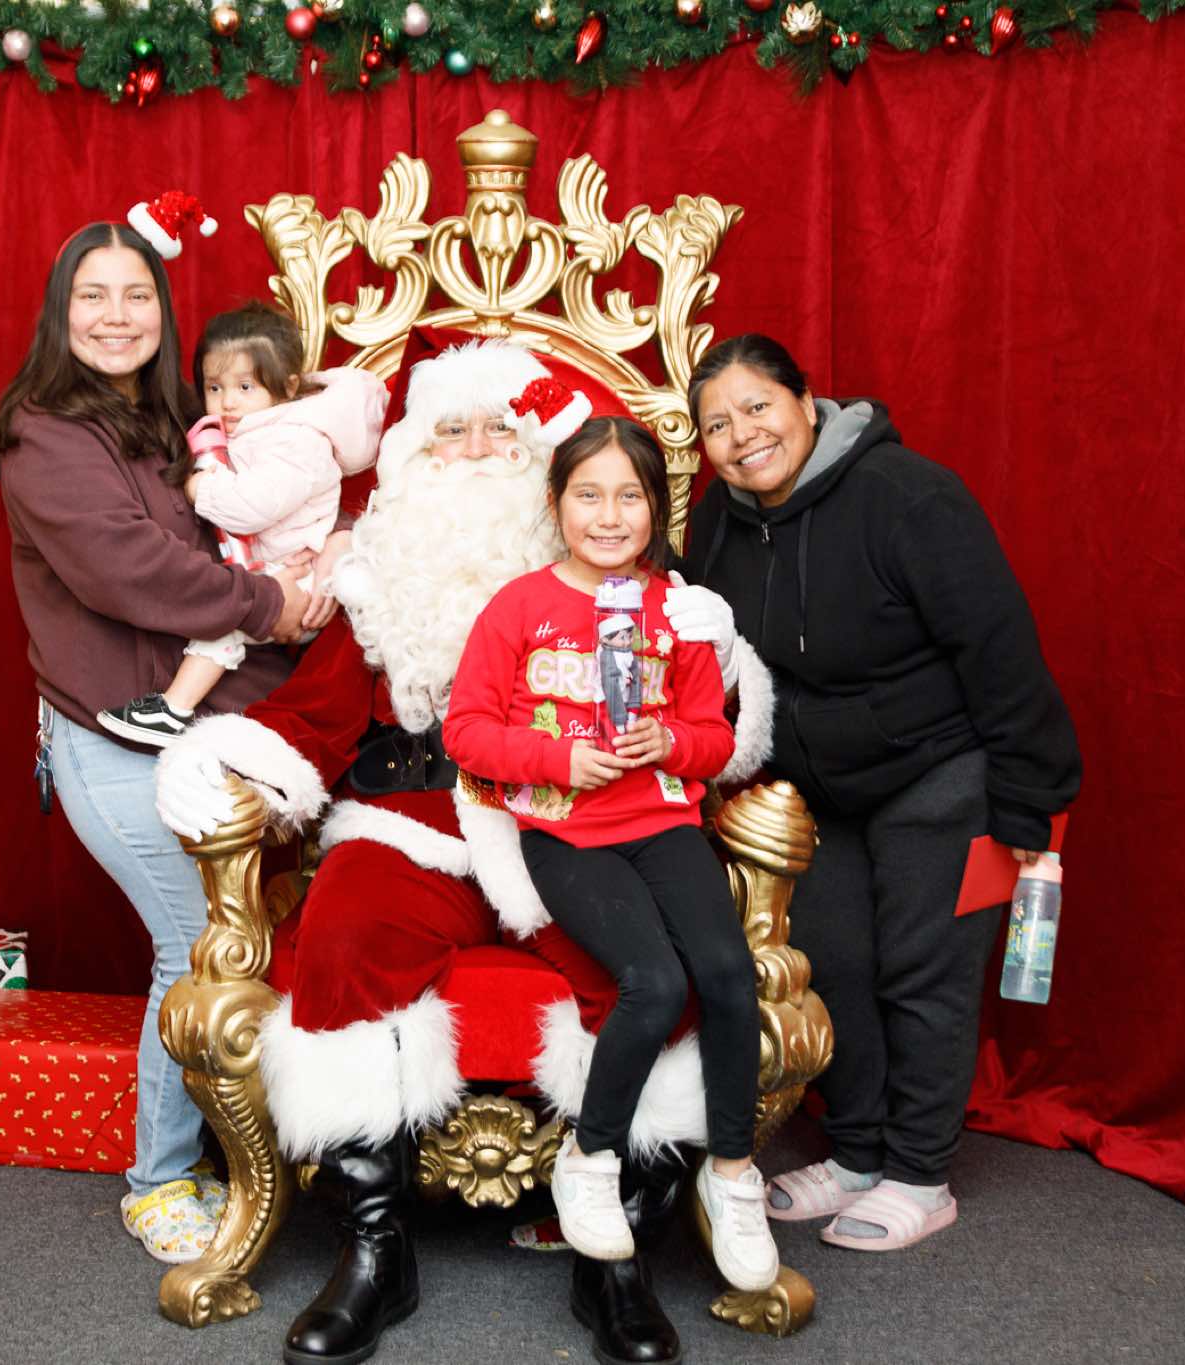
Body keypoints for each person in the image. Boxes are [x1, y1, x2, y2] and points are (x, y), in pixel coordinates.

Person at [154, 340, 777, 1365]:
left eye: (501, 430)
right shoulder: (377, 583)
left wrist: (722, 660)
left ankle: (614, 1249)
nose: (476, 450)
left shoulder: (625, 585)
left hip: (574, 833)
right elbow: (310, 718)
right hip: (410, 830)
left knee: (654, 973)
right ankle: (375, 1247)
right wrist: (230, 763)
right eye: (451, 430)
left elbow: (705, 720)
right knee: (344, 930)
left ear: (545, 470)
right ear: (411, 454)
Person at [671, 333, 1082, 1252]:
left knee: (922, 969)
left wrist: (1031, 797)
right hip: (819, 785)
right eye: (717, 425)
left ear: (805, 400)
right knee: (835, 966)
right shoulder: (718, 519)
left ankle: (921, 1173)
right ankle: (856, 1152)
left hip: (941, 771)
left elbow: (1002, 651)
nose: (742, 435)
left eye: (757, 407)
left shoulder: (911, 497)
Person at [0, 216, 316, 1266]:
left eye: (136, 295)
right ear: (61, 310)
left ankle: (246, 1149)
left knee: (245, 936)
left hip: (207, 728)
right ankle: (159, 1181)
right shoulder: (42, 430)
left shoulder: (177, 414)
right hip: (110, 735)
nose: (116, 316)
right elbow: (126, 569)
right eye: (93, 295)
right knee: (198, 944)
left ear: (163, 312)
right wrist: (271, 603)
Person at [443, 414, 779, 1293]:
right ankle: (589, 1160)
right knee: (654, 982)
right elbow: (467, 730)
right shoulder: (519, 607)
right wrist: (559, 758)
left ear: (657, 508)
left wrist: (669, 741)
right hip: (567, 834)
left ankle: (733, 1173)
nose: (609, 514)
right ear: (557, 504)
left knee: (727, 973)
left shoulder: (678, 609)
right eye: (588, 494)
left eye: (630, 496)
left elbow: (715, 739)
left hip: (662, 822)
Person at [99, 302, 385, 747]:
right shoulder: (256, 429)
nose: (228, 402)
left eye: (245, 386)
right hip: (276, 567)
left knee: (225, 621)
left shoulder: (297, 440)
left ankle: (173, 709)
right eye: (215, 387)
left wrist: (198, 487)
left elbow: (252, 507)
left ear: (288, 385)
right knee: (225, 609)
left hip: (301, 580)